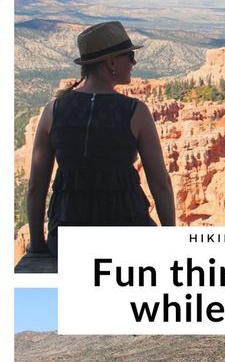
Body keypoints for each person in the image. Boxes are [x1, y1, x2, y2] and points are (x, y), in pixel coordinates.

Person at [27, 20, 176, 256]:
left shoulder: (53, 110)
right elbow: (160, 184)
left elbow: (36, 186)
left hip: (68, 239)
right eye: (130, 55)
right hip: (126, 234)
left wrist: (37, 245)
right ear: (111, 62)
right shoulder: (135, 111)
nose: (134, 63)